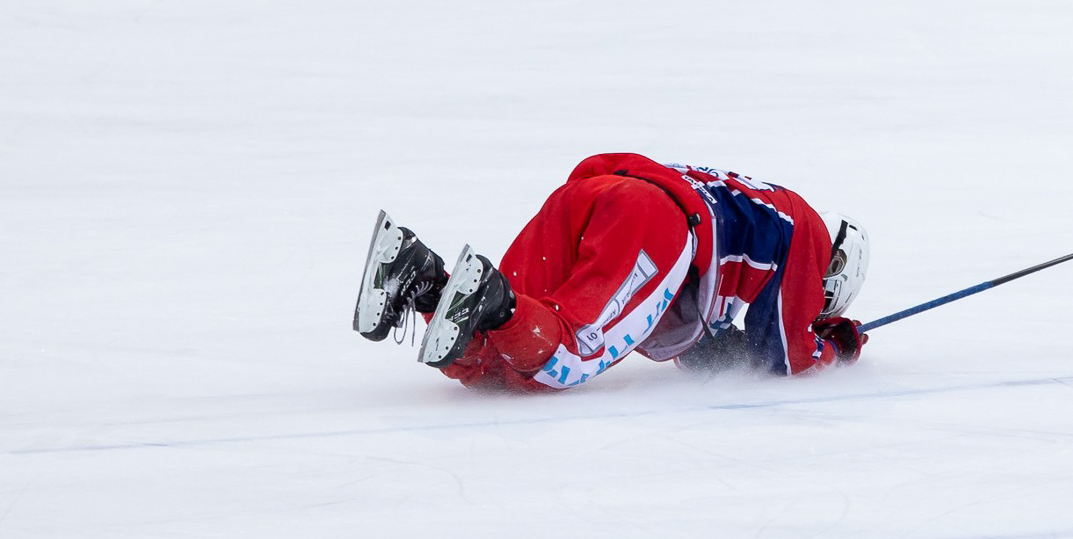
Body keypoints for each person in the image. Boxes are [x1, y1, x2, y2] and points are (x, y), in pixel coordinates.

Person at [352, 152, 870, 390]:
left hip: (594, 198)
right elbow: (788, 354)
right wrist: (840, 343)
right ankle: (491, 297)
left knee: (506, 370)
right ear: (835, 275)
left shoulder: (759, 218)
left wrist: (727, 354)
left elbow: (693, 338)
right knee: (567, 353)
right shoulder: (808, 233)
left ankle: (421, 281)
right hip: (655, 221)